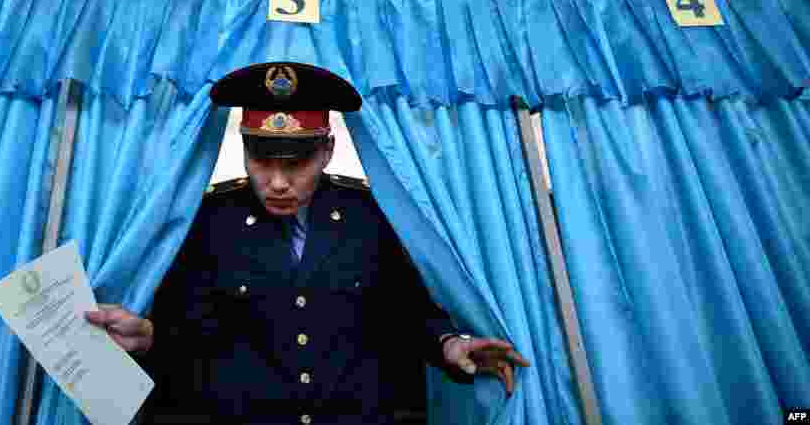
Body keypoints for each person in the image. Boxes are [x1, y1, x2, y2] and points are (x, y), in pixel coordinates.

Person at [86, 62, 529, 424]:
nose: (277, 182)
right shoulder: (204, 222)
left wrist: (450, 344)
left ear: (327, 151)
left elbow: (408, 313)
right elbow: (187, 334)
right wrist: (148, 337)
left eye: (297, 162)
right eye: (261, 158)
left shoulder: (374, 217)